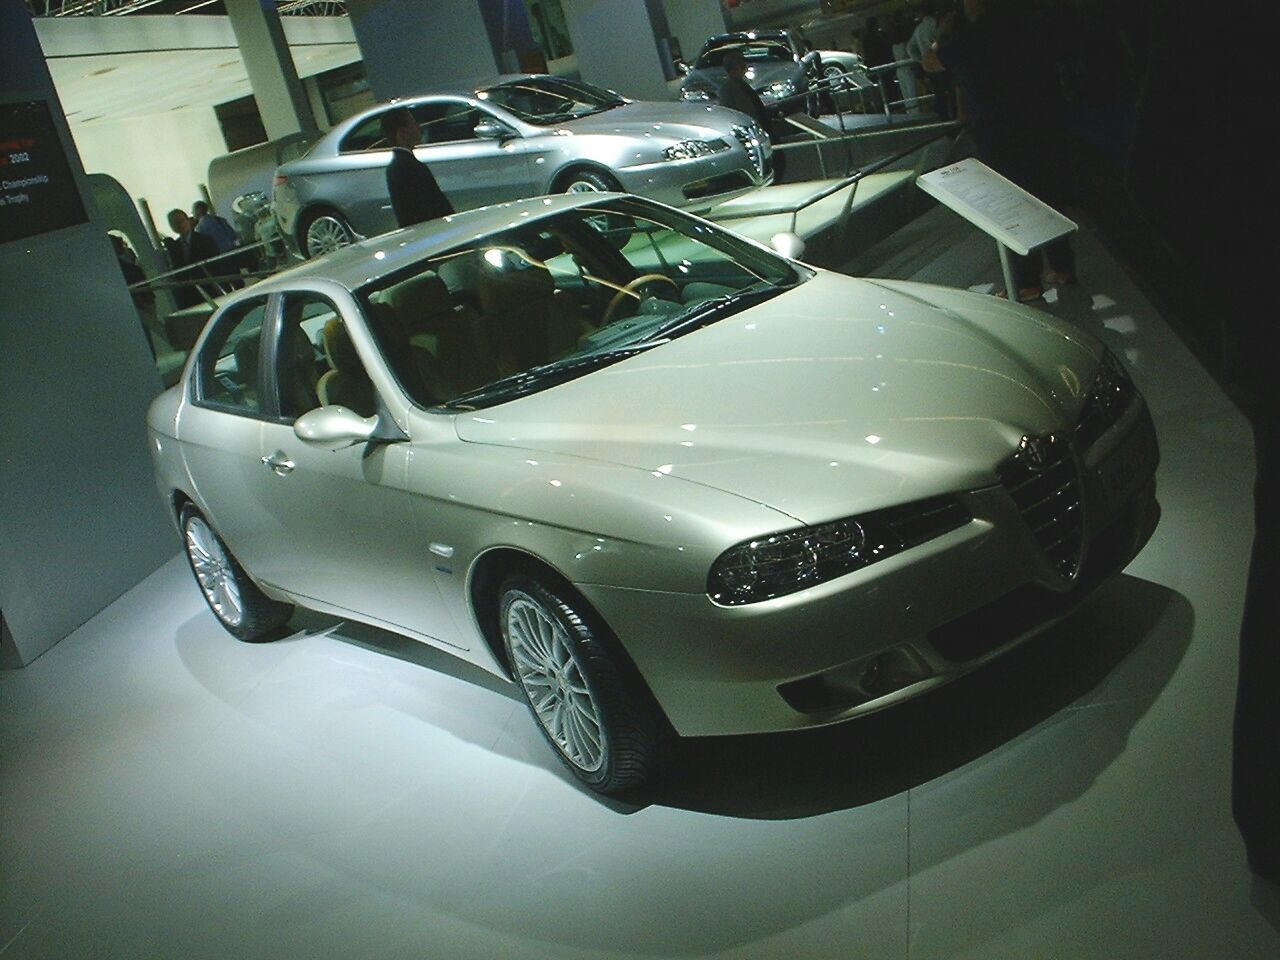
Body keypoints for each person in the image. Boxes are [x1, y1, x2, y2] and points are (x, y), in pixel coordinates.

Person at [926, 0, 1075, 300]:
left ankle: (1026, 282)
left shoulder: (971, 37)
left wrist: (941, 34)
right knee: (1049, 197)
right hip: (1044, 125)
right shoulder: (1028, 22)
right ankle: (1062, 267)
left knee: (1013, 206)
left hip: (1002, 134)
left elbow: (931, 63)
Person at [717, 48, 787, 180]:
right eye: (742, 66)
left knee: (776, 159)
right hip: (754, 131)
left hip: (758, 129)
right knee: (775, 160)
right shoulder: (731, 89)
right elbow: (743, 112)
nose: (745, 69)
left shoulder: (737, 86)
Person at [381, 107, 454, 228]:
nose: (418, 128)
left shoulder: (394, 168)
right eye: (413, 124)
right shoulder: (412, 167)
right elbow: (436, 206)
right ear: (402, 134)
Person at [166, 208, 219, 309]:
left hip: (209, 287)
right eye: (175, 223)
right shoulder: (175, 247)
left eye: (181, 221)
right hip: (189, 294)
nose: (180, 225)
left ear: (188, 221)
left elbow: (216, 263)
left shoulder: (204, 240)